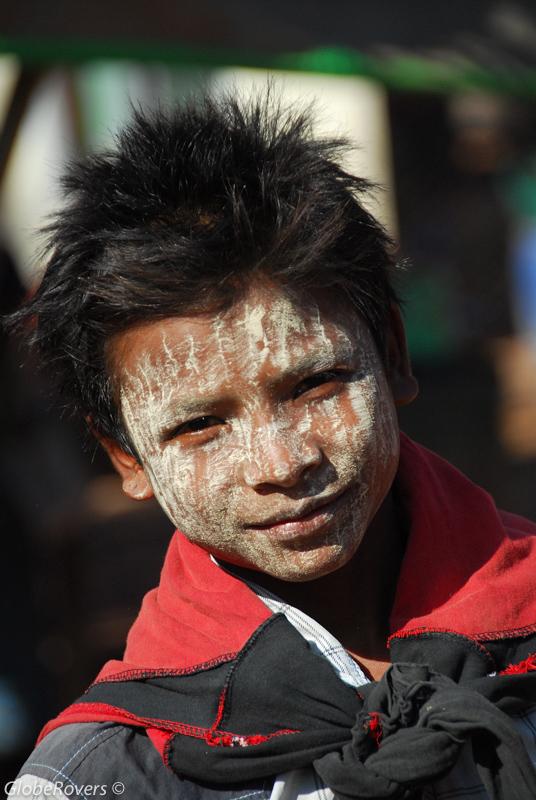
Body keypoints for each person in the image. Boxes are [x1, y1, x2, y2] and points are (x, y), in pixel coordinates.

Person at [7, 94, 536, 800]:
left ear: (392, 357)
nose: (282, 464)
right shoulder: (105, 776)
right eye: (199, 426)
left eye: (315, 383)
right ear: (128, 458)